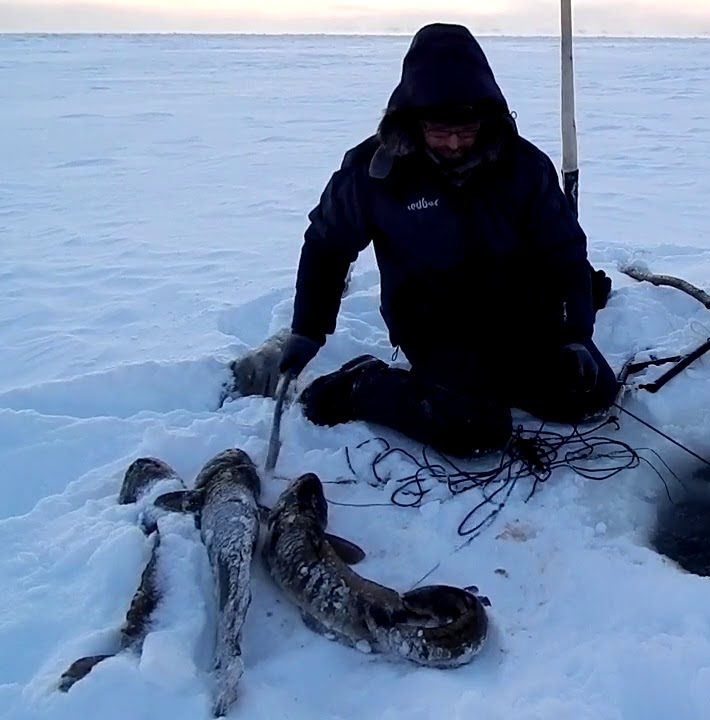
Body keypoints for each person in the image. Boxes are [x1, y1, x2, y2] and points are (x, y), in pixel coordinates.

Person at [265, 22, 619, 458]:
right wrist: (308, 328)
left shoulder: (525, 167)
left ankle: (502, 376)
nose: (454, 142)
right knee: (476, 430)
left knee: (589, 395)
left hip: (523, 315)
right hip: (434, 323)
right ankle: (361, 387)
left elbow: (563, 253)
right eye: (439, 129)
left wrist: (574, 335)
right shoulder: (373, 171)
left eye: (466, 130)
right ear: (412, 120)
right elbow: (327, 246)